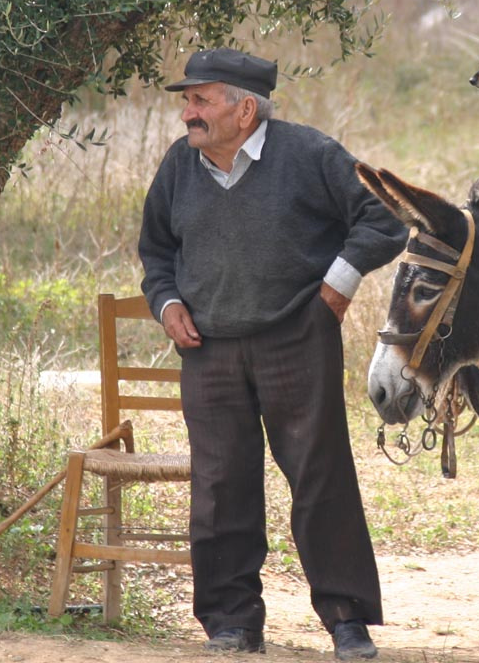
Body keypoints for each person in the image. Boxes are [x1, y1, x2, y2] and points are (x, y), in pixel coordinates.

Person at [138, 47, 407, 658]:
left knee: (320, 478)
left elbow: (384, 219)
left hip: (297, 338)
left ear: (245, 109)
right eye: (187, 101)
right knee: (220, 485)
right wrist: (167, 303)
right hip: (208, 350)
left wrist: (338, 283)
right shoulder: (180, 166)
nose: (187, 114)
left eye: (201, 100)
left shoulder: (309, 154)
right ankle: (232, 622)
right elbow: (156, 250)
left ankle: (346, 620)